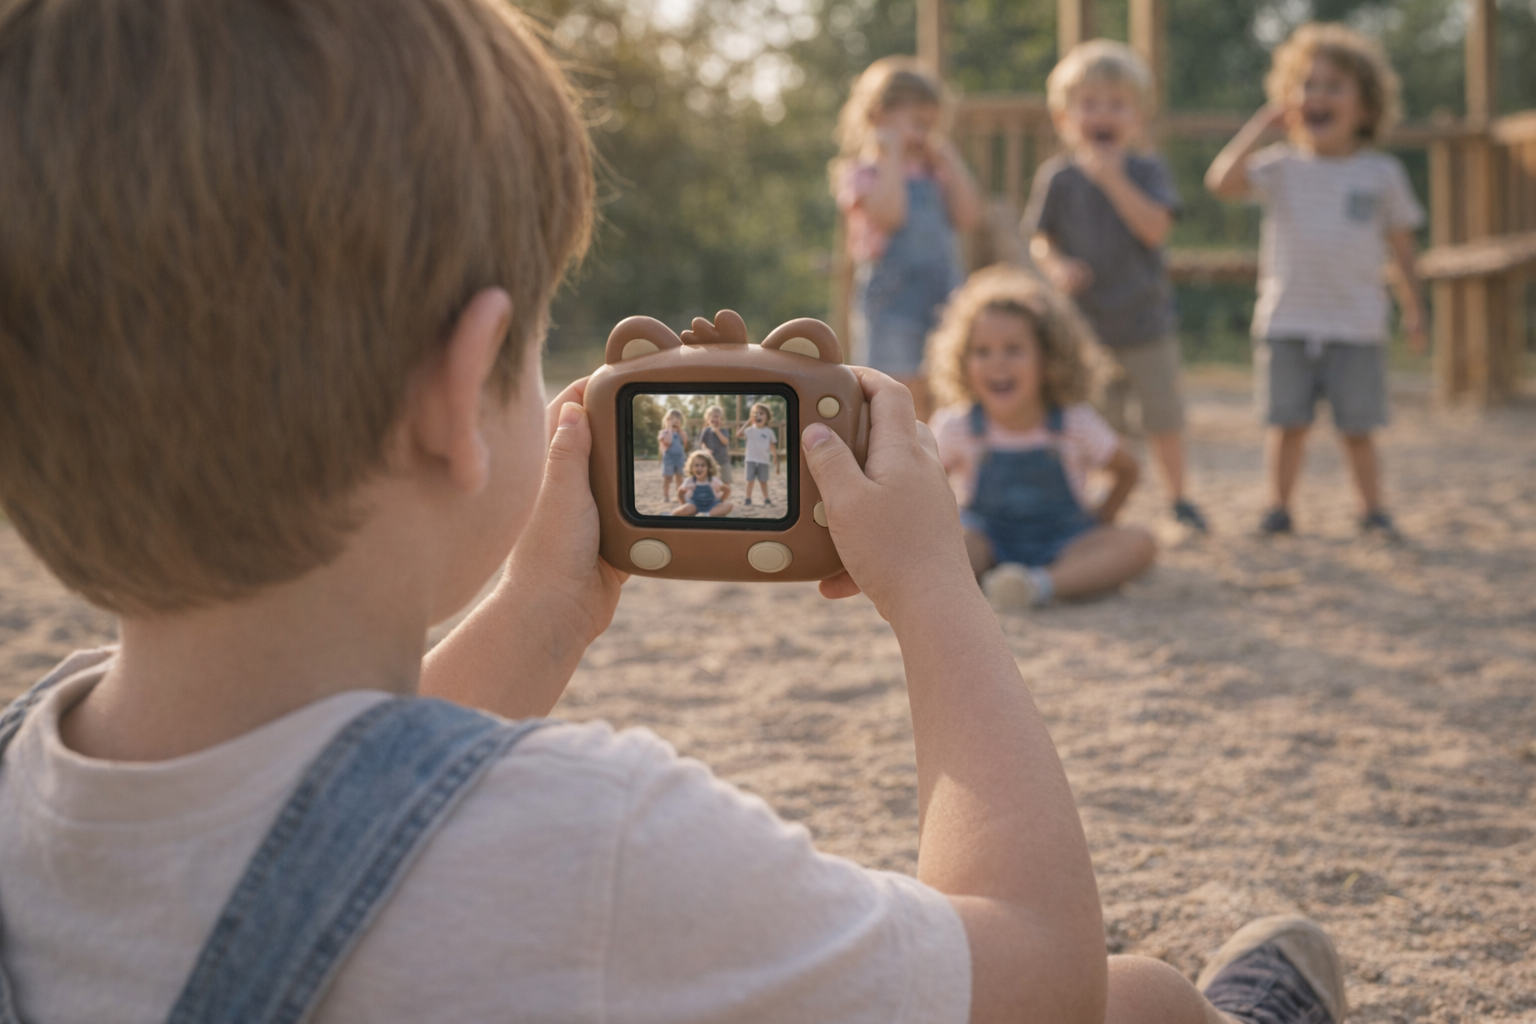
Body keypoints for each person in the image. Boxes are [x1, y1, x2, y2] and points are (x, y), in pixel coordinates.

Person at [0, 3, 1351, 1023]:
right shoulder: (592, 845)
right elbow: (1031, 967)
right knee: (1139, 998)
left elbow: (334, 801)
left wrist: (540, 607)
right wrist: (938, 593)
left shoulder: (21, 782)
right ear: (463, 389)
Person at [1205, 22, 1426, 541]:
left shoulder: (1382, 174)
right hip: (1287, 320)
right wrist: (1263, 125)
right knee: (1287, 425)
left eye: (1334, 86)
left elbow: (1403, 250)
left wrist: (1415, 308)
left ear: (1366, 107)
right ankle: (1278, 508)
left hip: (1358, 324)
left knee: (1358, 428)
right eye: (1308, 85)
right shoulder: (1280, 167)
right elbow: (1221, 182)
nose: (1317, 96)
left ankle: (1372, 510)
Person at [1024, 40, 1210, 535]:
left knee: (1163, 417)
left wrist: (1112, 179)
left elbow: (1155, 229)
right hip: (1084, 330)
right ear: (1065, 118)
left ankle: (1180, 499)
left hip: (1146, 322)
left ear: (1137, 118)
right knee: (1088, 423)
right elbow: (1042, 239)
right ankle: (1085, 504)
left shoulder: (1148, 170)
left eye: (1116, 104)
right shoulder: (1058, 178)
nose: (1102, 114)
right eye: (1089, 104)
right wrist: (1057, 265)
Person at [928, 266, 1156, 611]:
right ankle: (985, 579)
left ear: (1048, 359)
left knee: (1140, 544)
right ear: (962, 359)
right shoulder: (955, 426)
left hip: (1065, 543)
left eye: (1014, 349)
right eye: (982, 351)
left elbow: (1129, 469)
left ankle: (1039, 586)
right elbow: (924, 486)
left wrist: (1102, 520)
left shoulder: (1075, 422)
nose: (997, 363)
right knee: (952, 545)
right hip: (987, 540)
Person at [833, 55, 982, 421]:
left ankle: (936, 465)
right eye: (917, 124)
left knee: (945, 390)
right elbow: (892, 215)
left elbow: (968, 216)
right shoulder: (863, 173)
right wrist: (892, 155)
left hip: (944, 295)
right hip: (893, 303)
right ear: (878, 117)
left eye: (931, 126)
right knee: (897, 393)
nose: (925, 135)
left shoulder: (935, 171)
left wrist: (952, 162)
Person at [736, 402, 779, 506]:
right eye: (756, 413)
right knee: (750, 480)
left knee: (763, 481)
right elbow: (738, 434)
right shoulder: (749, 430)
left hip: (763, 460)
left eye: (761, 413)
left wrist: (775, 457)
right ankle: (747, 498)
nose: (758, 415)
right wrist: (748, 422)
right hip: (750, 459)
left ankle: (766, 498)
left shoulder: (769, 432)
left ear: (767, 416)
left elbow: (772, 445)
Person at [673, 450, 734, 518]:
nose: (699, 468)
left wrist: (721, 500)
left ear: (709, 468)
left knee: (729, 505)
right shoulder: (690, 481)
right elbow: (680, 493)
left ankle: (707, 515)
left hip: (712, 505)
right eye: (696, 465)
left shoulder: (713, 480)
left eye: (703, 465)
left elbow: (727, 490)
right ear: (691, 467)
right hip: (695, 505)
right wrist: (684, 505)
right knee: (678, 512)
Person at [658, 408, 688, 503]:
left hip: (679, 458)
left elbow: (685, 443)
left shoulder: (680, 433)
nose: (676, 422)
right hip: (669, 459)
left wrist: (681, 432)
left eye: (678, 420)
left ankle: (680, 496)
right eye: (672, 420)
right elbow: (669, 441)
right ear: (667, 421)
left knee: (679, 478)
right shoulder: (663, 433)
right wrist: (670, 428)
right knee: (667, 478)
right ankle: (666, 496)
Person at [699, 404, 734, 484]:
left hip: (723, 461)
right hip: (710, 461)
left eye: (717, 417)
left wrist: (717, 432)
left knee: (726, 481)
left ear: (721, 419)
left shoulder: (723, 430)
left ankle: (725, 496)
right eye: (712, 417)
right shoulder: (706, 431)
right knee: (710, 481)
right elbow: (702, 443)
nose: (715, 419)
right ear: (708, 420)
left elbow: (726, 442)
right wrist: (705, 449)